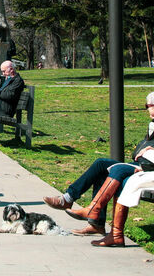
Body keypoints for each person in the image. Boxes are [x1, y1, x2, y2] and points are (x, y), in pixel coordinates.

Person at [43, 91, 154, 239]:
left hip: (146, 169)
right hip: (140, 164)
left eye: (151, 106)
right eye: (148, 106)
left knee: (115, 169)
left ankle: (89, 213)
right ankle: (74, 204)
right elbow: (136, 153)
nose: (149, 109)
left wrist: (148, 152)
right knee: (101, 165)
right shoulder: (152, 126)